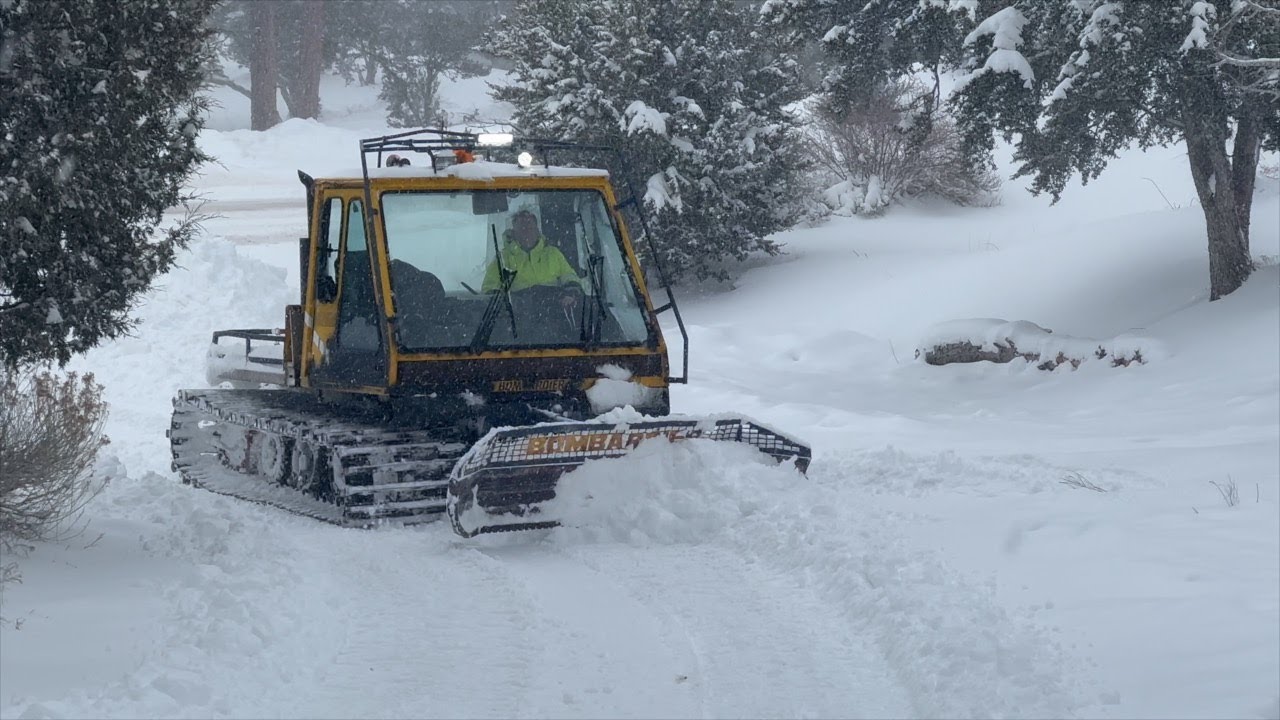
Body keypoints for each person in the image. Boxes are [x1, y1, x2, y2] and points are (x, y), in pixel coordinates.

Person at [481, 208, 581, 310]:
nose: (526, 231)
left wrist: (571, 292)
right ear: (514, 232)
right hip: (517, 318)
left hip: (554, 313)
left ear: (537, 230)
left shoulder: (553, 253)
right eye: (522, 228)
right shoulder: (503, 258)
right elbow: (489, 288)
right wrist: (508, 303)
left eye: (530, 227)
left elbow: (569, 276)